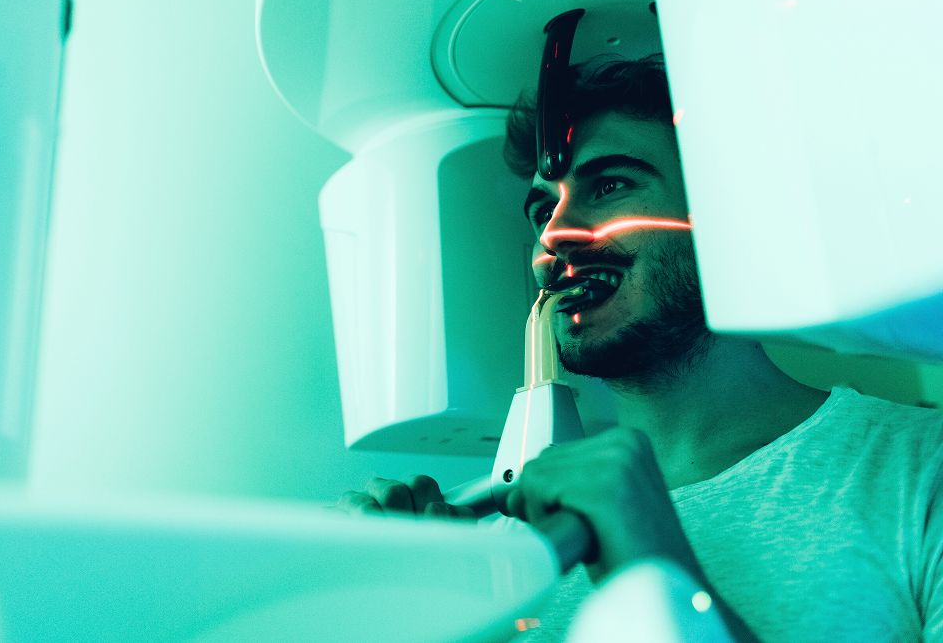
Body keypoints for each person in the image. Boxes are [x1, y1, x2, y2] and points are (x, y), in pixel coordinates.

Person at [336, 56, 943, 641]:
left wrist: (655, 572)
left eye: (610, 184)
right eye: (543, 209)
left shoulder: (921, 470)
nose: (557, 235)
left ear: (733, 221)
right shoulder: (491, 544)